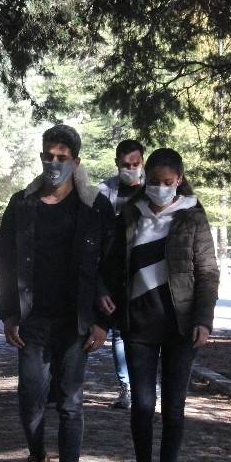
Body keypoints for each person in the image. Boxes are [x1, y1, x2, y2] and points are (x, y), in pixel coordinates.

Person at [0, 124, 113, 462]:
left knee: (70, 403)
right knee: (30, 399)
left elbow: (111, 264)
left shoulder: (95, 206)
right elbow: (4, 261)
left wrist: (102, 322)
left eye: (62, 158)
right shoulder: (22, 204)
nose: (54, 163)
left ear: (76, 162)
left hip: (76, 323)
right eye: (49, 156)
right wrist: (8, 312)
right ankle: (36, 455)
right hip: (33, 320)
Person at [99, 148, 219, 462]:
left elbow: (208, 272)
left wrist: (203, 320)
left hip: (181, 327)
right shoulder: (130, 213)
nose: (161, 188)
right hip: (138, 324)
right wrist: (104, 292)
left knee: (173, 408)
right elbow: (110, 263)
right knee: (142, 405)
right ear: (145, 179)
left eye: (168, 182)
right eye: (154, 181)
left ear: (179, 180)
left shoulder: (193, 216)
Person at [97, 139, 145, 409]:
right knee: (118, 332)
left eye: (135, 164)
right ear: (117, 163)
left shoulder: (153, 188)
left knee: (145, 330)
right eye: (126, 164)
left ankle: (144, 383)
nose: (131, 169)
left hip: (144, 271)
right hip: (114, 271)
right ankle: (126, 386)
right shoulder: (103, 192)